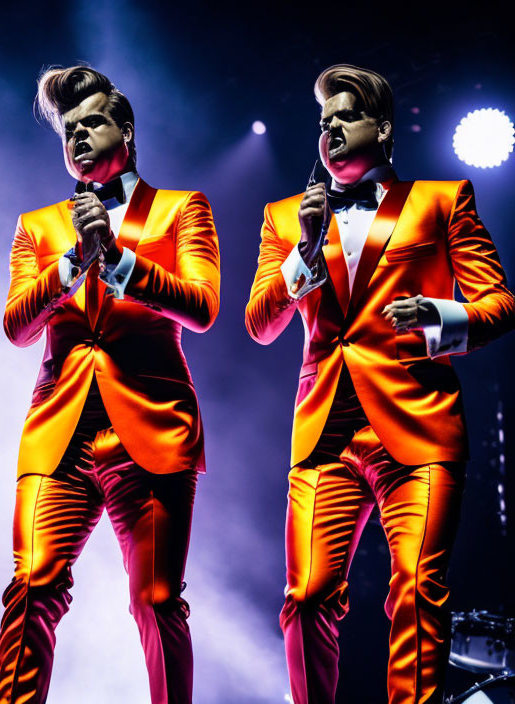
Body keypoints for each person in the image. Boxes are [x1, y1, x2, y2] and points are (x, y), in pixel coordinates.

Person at [245, 64, 515, 703]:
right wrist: (304, 254)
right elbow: (260, 324)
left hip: (417, 425)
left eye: (344, 117)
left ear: (384, 129)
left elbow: (500, 304)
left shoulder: (443, 199)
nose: (329, 129)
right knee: (306, 595)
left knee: (417, 589)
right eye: (322, 123)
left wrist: (440, 317)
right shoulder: (286, 217)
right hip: (324, 433)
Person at [0, 65, 220, 704]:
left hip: (151, 428)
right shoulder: (38, 227)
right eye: (69, 129)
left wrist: (119, 261)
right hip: (57, 432)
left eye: (92, 122)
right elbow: (15, 326)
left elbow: (202, 307)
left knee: (155, 600)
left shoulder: (181, 209)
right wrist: (72, 263)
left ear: (126, 130)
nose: (79, 136)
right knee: (31, 587)